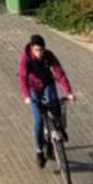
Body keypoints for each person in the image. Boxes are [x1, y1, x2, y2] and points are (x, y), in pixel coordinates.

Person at [20, 34, 74, 167]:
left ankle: (58, 130)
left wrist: (69, 91)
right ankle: (39, 151)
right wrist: (26, 96)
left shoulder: (49, 56)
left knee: (55, 105)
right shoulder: (26, 59)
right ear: (32, 49)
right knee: (38, 121)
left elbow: (59, 73)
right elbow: (22, 77)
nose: (39, 53)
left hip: (47, 84)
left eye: (41, 50)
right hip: (34, 88)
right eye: (36, 50)